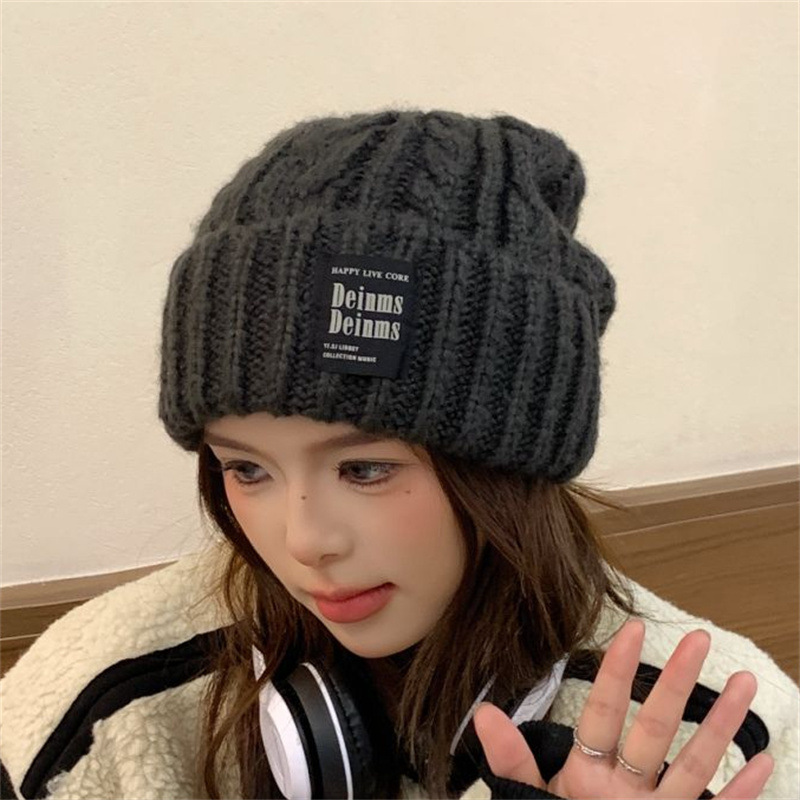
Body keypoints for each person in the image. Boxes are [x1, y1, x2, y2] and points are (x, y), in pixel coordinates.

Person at [1, 108, 797, 800]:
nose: (305, 541)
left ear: (509, 467)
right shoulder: (102, 704)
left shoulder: (714, 730)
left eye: (365, 468)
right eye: (247, 469)